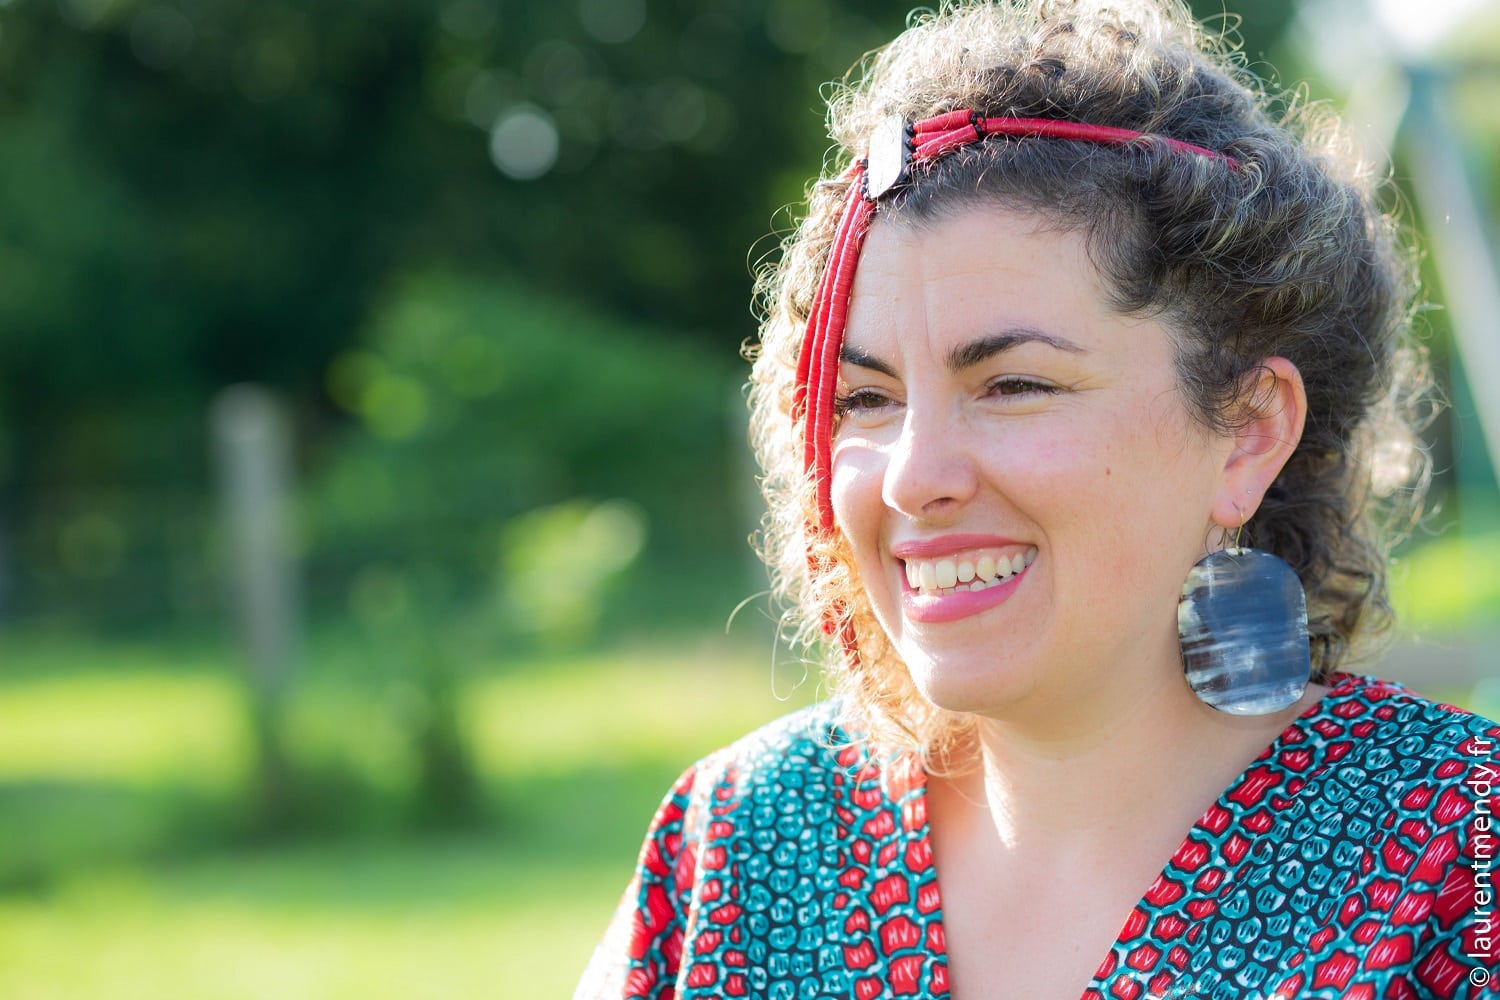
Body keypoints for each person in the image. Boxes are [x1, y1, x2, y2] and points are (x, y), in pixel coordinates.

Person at [577, 1, 1500, 996]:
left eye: (1013, 384)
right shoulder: (741, 847)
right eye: (865, 399)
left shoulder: (1459, 865)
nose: (913, 475)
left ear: (1248, 431)